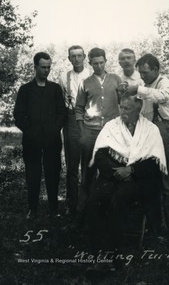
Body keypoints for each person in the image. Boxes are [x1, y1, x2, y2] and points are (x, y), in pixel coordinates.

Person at [86, 95, 166, 273]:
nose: (122, 112)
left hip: (138, 179)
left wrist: (131, 170)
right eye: (121, 107)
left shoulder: (150, 130)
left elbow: (154, 163)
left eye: (126, 109)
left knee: (119, 199)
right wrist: (116, 173)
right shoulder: (111, 126)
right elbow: (100, 155)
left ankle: (115, 253)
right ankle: (97, 253)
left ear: (138, 110)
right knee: (94, 200)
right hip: (112, 176)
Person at [125, 53, 169, 238]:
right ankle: (154, 227)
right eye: (140, 73)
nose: (143, 76)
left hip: (166, 133)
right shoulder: (146, 86)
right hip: (150, 134)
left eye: (146, 73)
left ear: (156, 70)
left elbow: (163, 97)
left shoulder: (165, 83)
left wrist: (139, 89)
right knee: (151, 181)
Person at [14, 52, 66, 219]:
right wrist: (30, 132)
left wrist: (55, 130)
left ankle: (53, 208)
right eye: (43, 67)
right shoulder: (25, 90)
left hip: (52, 139)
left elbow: (62, 113)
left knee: (53, 173)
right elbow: (19, 115)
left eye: (49, 67)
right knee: (32, 174)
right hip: (32, 140)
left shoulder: (55, 89)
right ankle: (33, 209)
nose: (46, 70)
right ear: (35, 67)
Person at [75, 47, 121, 206]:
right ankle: (83, 210)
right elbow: (79, 108)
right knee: (88, 171)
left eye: (102, 62)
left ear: (106, 61)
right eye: (95, 63)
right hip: (90, 132)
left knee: (112, 168)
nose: (99, 66)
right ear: (90, 64)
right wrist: (82, 131)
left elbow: (124, 103)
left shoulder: (116, 79)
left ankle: (109, 207)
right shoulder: (85, 83)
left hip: (112, 133)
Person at [59, 45, 90, 216]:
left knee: (89, 163)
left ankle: (88, 202)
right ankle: (71, 203)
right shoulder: (65, 77)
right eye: (73, 56)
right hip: (71, 119)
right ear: (69, 58)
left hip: (89, 119)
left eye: (79, 56)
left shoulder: (92, 76)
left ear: (84, 57)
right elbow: (63, 100)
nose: (77, 59)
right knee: (72, 164)